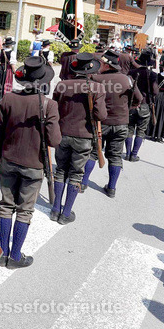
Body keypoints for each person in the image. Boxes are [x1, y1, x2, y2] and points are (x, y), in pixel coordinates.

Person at [0, 56, 60, 267]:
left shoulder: (8, 99)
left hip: (8, 160)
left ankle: (2, 252)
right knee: (24, 210)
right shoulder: (50, 105)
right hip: (34, 164)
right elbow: (54, 140)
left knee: (5, 206)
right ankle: (15, 256)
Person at [51, 53, 106, 220]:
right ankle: (66, 213)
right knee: (76, 174)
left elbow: (54, 108)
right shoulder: (97, 87)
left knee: (60, 170)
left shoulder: (62, 84)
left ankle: (55, 209)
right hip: (84, 135)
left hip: (62, 132)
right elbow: (101, 115)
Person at [83, 50, 142, 197]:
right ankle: (111, 188)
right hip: (121, 122)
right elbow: (138, 98)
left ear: (106, 65)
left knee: (92, 153)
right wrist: (128, 108)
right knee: (115, 156)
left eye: (101, 63)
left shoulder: (96, 79)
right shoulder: (126, 79)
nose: (99, 66)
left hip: (100, 122)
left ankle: (83, 183)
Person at [125, 50, 156, 162]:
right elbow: (155, 91)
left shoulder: (131, 72)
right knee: (141, 131)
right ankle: (134, 155)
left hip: (132, 105)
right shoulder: (152, 75)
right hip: (144, 105)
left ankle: (127, 153)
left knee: (129, 129)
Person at [0, 37, 15, 102]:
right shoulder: (12, 53)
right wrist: (14, 70)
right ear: (10, 45)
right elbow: (12, 63)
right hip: (8, 68)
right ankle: (5, 98)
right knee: (7, 82)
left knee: (0, 81)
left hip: (1, 67)